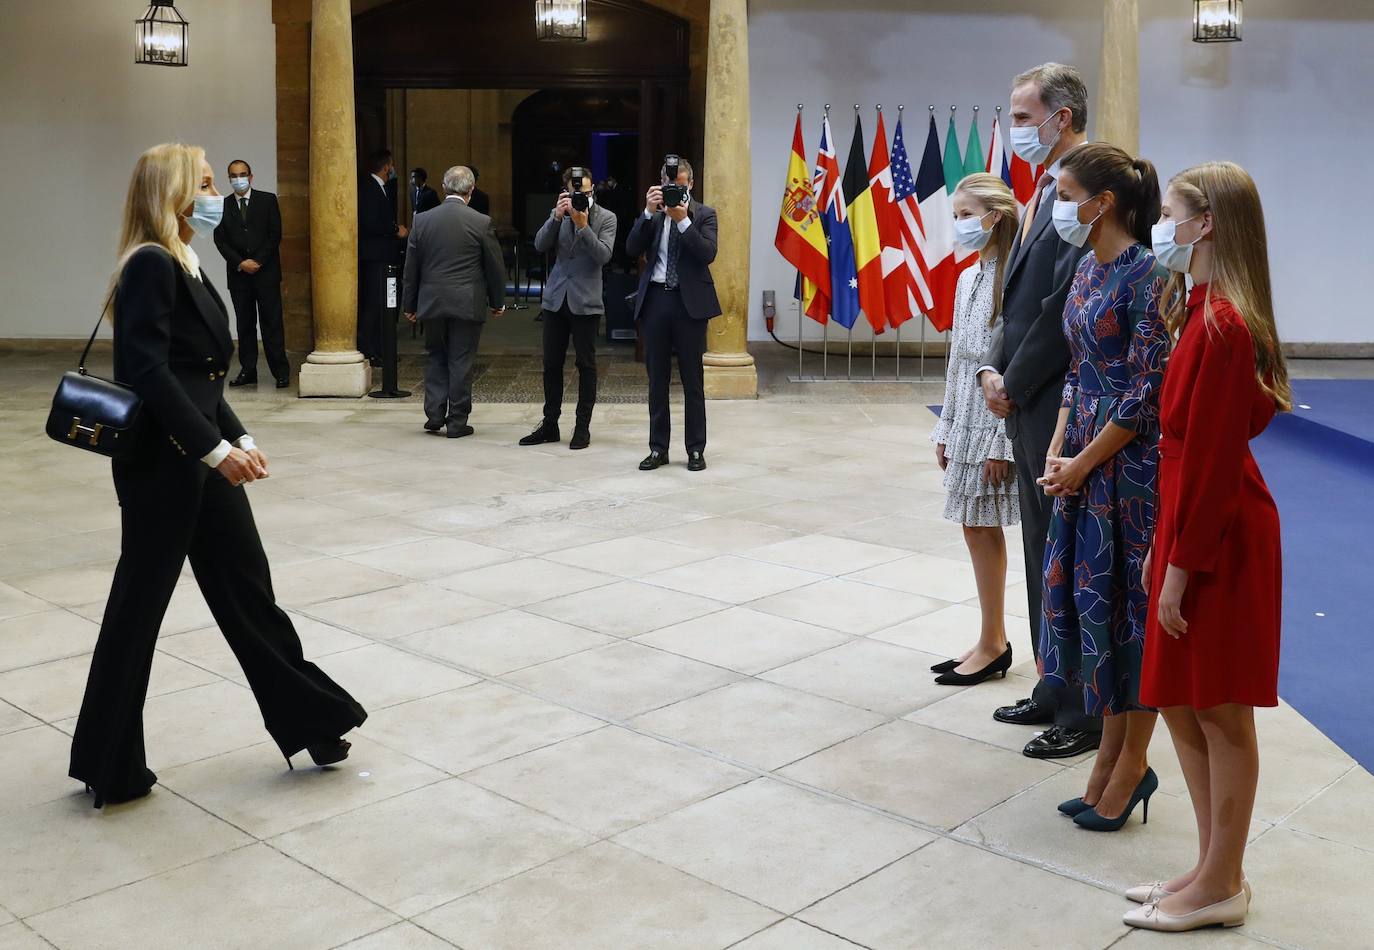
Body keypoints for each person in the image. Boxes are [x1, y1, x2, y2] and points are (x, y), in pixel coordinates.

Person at [69, 144, 366, 809]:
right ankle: (107, 761)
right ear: (172, 192)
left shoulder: (186, 260)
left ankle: (312, 722)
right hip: (161, 467)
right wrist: (214, 450)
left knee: (247, 591)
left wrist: (241, 438)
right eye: (204, 183)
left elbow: (200, 373)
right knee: (137, 611)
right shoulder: (150, 263)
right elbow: (148, 372)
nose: (215, 192)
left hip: (200, 459)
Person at [1123, 162, 1288, 933]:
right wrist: (1168, 547)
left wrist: (1181, 568)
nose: (1161, 226)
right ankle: (1209, 864)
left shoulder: (1224, 324)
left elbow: (1217, 461)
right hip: (1187, 518)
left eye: (1170, 214)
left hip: (1219, 533)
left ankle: (1223, 882)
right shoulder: (1199, 307)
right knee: (1182, 702)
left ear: (1206, 223)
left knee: (1218, 709)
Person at [1037, 141, 1171, 831]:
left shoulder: (1148, 276)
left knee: (1128, 614)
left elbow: (1146, 392)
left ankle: (1128, 768)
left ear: (1103, 202)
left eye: (1065, 194)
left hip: (1127, 467)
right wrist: (1060, 447)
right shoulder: (1088, 268)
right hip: (1084, 456)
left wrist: (1084, 460)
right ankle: (1110, 758)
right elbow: (1076, 365)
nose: (1059, 206)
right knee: (1097, 609)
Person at [977, 62, 1099, 759]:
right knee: (1038, 550)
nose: (1014, 129)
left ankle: (1084, 707)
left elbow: (1063, 308)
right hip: (1024, 394)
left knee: (1066, 550)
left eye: (1023, 117)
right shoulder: (1047, 186)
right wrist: (995, 364)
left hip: (1054, 400)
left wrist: (1015, 379)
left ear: (1061, 117)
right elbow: (1018, 299)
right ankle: (1053, 682)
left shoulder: (1086, 189)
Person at [929, 173, 1020, 687]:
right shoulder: (968, 277)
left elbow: (1004, 365)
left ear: (997, 217)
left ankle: (994, 642)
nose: (960, 225)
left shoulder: (1011, 278)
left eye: (968, 215)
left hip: (994, 420)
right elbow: (959, 358)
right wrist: (944, 424)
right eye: (957, 216)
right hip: (964, 412)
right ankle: (990, 637)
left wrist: (999, 440)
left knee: (983, 526)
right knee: (972, 525)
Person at [626, 157, 720, 472]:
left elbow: (707, 253)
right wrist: (647, 212)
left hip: (689, 303)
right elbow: (630, 247)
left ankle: (695, 449)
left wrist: (683, 220)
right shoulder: (654, 216)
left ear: (690, 185)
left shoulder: (704, 214)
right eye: (668, 184)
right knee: (657, 380)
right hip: (656, 300)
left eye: (679, 184)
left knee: (693, 379)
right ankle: (658, 448)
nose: (673, 190)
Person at [402, 165, 506, 438]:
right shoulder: (480, 222)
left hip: (433, 301)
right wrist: (498, 301)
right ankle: (457, 421)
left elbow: (411, 267)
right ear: (471, 190)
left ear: (444, 186)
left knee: (436, 355)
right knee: (461, 360)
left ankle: (434, 415)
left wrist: (409, 305)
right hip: (466, 302)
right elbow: (494, 266)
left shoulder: (422, 221)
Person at [520, 165, 617, 450]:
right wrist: (556, 216)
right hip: (556, 298)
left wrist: (584, 226)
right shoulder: (559, 215)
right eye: (575, 193)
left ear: (593, 191)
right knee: (551, 364)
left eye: (585, 192)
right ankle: (550, 424)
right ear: (566, 192)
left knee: (586, 365)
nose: (581, 197)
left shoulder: (606, 218)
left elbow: (603, 255)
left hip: (586, 300)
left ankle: (582, 426)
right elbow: (539, 245)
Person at [212, 159, 289, 390]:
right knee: (245, 325)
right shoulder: (222, 205)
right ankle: (248, 370)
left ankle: (281, 372)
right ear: (229, 178)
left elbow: (275, 234)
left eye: (242, 174)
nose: (239, 179)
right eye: (234, 176)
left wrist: (258, 261)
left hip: (266, 274)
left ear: (251, 177)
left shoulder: (267, 200)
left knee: (272, 323)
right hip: (239, 276)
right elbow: (220, 239)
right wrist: (240, 262)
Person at [359, 148, 408, 365]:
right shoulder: (370, 188)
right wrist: (395, 229)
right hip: (375, 256)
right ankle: (370, 349)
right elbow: (369, 222)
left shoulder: (383, 187)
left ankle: (380, 349)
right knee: (374, 304)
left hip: (384, 255)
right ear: (387, 165)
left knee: (384, 305)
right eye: (391, 165)